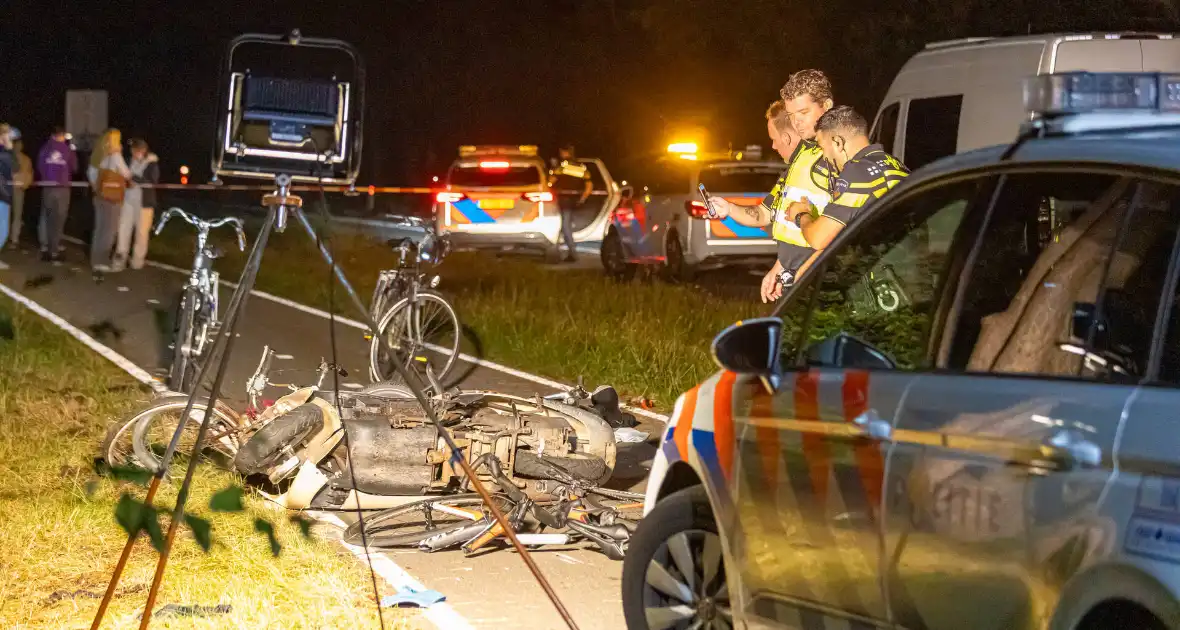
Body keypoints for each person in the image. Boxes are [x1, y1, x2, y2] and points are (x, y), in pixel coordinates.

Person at [708, 69, 835, 302]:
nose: (774, 147)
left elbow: (844, 228)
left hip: (820, 284)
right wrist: (728, 209)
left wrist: (804, 275)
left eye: (803, 112)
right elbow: (764, 213)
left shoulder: (831, 158)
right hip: (798, 280)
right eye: (794, 114)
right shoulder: (798, 164)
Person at [791, 105, 909, 277]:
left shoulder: (858, 171)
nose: (824, 157)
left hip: (889, 280)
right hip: (911, 271)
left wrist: (801, 215)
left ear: (838, 143)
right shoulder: (895, 164)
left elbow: (819, 238)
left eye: (823, 148)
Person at [86, 129, 133, 273]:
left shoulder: (98, 154)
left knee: (99, 229)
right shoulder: (115, 155)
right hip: (112, 198)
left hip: (100, 197)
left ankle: (95, 260)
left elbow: (91, 173)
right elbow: (127, 173)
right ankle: (103, 261)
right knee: (110, 230)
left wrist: (97, 188)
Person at [116, 139, 159, 270]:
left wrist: (133, 177)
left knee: (141, 233)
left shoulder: (152, 164)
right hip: (128, 201)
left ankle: (137, 262)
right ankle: (119, 260)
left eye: (135, 151)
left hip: (144, 204)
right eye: (132, 152)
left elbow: (152, 181)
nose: (134, 154)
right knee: (123, 230)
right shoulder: (129, 161)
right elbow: (123, 176)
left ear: (143, 151)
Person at [36, 126, 77, 262]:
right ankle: (54, 250)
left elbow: (39, 166)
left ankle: (44, 245)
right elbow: (75, 167)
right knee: (58, 219)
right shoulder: (68, 149)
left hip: (47, 187)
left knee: (46, 216)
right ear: (62, 135)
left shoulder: (44, 148)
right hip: (62, 188)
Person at [547, 143, 592, 262]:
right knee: (565, 226)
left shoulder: (562, 166)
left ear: (565, 152)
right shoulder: (581, 167)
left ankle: (572, 253)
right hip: (574, 201)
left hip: (562, 200)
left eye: (561, 151)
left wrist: (551, 171)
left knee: (564, 227)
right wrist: (583, 198)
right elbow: (589, 185)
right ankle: (562, 251)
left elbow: (551, 181)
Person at [9, 129, 33, 249]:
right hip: (6, 190)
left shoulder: (26, 159)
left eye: (20, 144)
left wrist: (25, 184)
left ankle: (14, 239)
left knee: (17, 215)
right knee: (6, 215)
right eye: (16, 144)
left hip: (19, 190)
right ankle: (5, 237)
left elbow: (29, 175)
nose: (18, 146)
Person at [0, 125, 14, 264]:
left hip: (3, 193)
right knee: (2, 231)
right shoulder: (4, 153)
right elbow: (13, 165)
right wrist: (9, 148)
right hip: (1, 194)